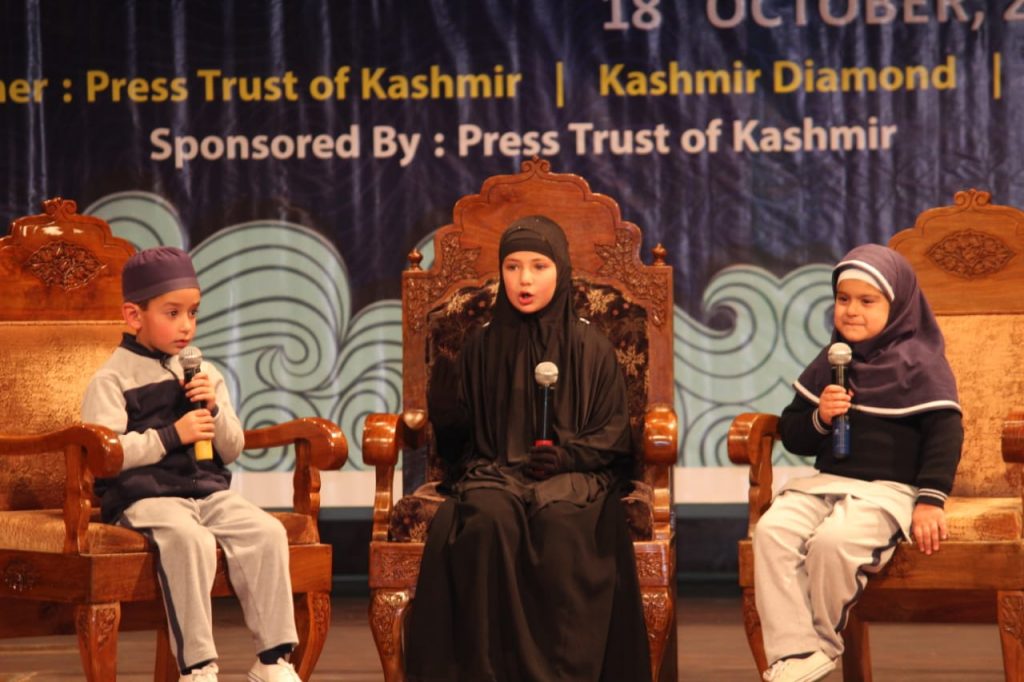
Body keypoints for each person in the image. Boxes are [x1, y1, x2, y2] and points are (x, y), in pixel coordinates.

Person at [405, 216, 651, 682]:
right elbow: (460, 450)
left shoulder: (591, 346)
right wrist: (447, 412)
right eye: (513, 267)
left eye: (539, 266)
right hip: (496, 472)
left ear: (560, 270)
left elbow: (615, 434)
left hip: (572, 477)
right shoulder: (480, 345)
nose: (524, 280)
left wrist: (568, 456)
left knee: (563, 524)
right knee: (485, 521)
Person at [80, 246, 301, 682]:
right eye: (172, 313)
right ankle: (198, 667)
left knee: (267, 532)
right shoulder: (112, 378)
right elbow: (105, 455)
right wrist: (171, 436)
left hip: (208, 493)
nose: (186, 325)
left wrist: (214, 410)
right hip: (146, 498)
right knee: (189, 540)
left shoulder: (204, 373)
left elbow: (232, 448)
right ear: (134, 315)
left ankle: (272, 660)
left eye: (193, 313)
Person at [753, 244, 964, 682]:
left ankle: (818, 647)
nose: (851, 310)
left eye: (867, 301)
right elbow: (794, 433)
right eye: (843, 298)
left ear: (898, 307)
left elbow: (945, 435)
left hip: (888, 490)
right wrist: (821, 416)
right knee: (772, 530)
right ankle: (794, 652)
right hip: (826, 482)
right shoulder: (832, 360)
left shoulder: (922, 363)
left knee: (833, 543)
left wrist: (931, 499)